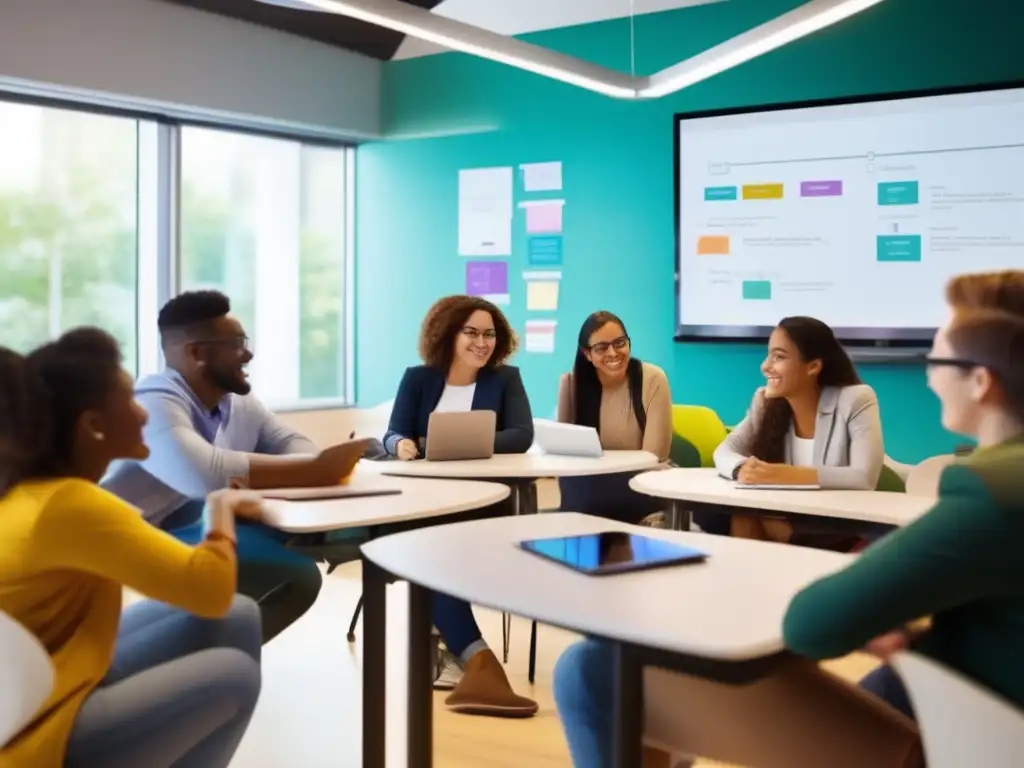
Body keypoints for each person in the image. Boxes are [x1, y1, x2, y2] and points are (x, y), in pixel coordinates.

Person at [553, 270, 1024, 768]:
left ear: (980, 381)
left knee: (589, 669)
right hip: (963, 691)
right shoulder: (998, 482)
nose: (929, 375)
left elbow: (812, 626)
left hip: (978, 725)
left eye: (937, 358)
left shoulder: (988, 490)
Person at [0, 328, 263, 768]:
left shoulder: (33, 492)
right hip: (35, 736)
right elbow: (210, 588)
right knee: (232, 676)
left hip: (53, 678)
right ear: (94, 426)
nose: (144, 414)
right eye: (129, 398)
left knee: (240, 614)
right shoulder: (72, 504)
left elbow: (212, 598)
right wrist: (222, 509)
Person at [103, 291, 356, 644]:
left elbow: (290, 443)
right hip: (129, 537)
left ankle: (209, 658)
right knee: (297, 575)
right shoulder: (155, 400)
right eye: (237, 344)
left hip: (191, 521)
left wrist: (316, 466)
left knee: (301, 553)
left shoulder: (237, 401)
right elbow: (204, 475)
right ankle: (194, 662)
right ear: (195, 353)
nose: (248, 354)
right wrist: (316, 470)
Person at [383, 294, 537, 717]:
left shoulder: (505, 379)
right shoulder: (418, 379)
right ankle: (476, 662)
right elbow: (392, 434)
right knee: (431, 549)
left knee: (435, 555)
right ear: (448, 334)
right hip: (424, 502)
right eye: (471, 332)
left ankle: (470, 659)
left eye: (489, 334)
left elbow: (521, 435)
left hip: (484, 501)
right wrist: (402, 446)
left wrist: (447, 446)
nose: (481, 342)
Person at [708, 315, 884, 543]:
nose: (765, 366)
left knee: (755, 516)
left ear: (813, 366)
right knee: (744, 512)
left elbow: (863, 476)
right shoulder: (765, 401)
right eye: (768, 355)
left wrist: (782, 475)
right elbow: (723, 452)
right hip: (787, 514)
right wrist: (743, 469)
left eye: (778, 356)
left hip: (836, 523)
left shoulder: (856, 398)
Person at [557, 311, 673, 524]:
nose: (613, 353)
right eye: (601, 348)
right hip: (590, 486)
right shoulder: (572, 384)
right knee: (576, 488)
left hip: (644, 481)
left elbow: (654, 458)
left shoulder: (653, 378)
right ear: (587, 354)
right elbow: (563, 458)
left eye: (620, 343)